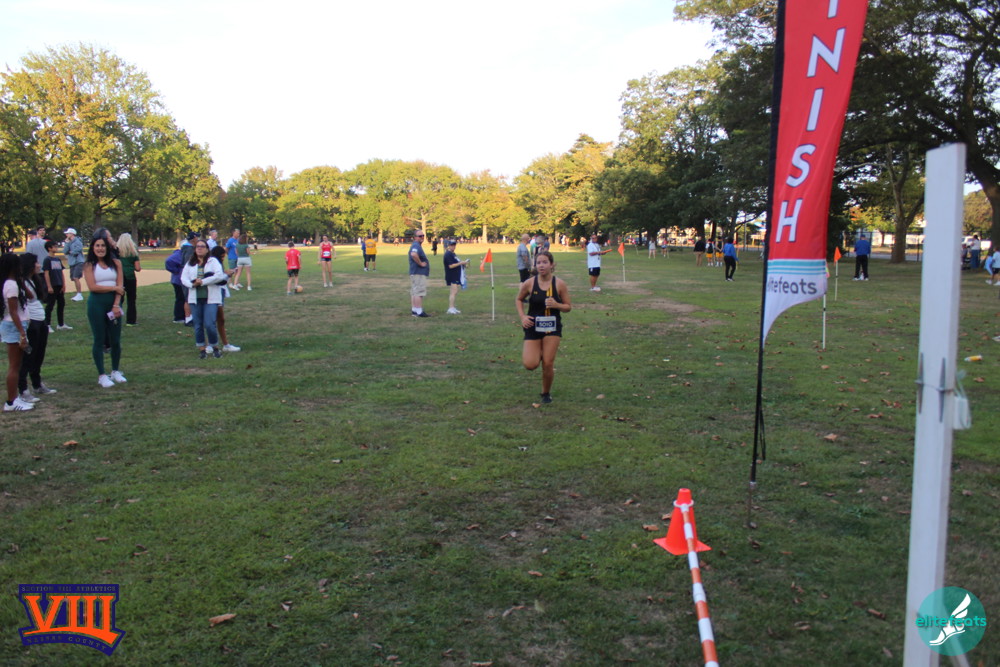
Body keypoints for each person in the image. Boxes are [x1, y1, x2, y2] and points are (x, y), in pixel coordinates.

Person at [515, 251, 571, 404]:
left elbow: (568, 307)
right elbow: (519, 299)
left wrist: (557, 305)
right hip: (533, 326)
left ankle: (545, 393)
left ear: (551, 265)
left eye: (545, 262)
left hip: (552, 327)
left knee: (548, 363)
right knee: (530, 364)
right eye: (538, 262)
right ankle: (539, 350)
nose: (541, 265)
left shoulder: (559, 284)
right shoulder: (529, 283)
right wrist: (523, 316)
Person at [83, 236, 126, 388]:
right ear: (92, 248)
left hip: (113, 304)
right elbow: (93, 287)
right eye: (97, 245)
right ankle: (102, 374)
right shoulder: (89, 265)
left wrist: (116, 304)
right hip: (96, 304)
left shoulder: (116, 263)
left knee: (115, 339)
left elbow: (120, 286)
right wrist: (113, 288)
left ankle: (115, 370)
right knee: (99, 338)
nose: (100, 248)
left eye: (103, 246)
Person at [17, 254, 55, 402]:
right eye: (36, 263)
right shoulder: (21, 282)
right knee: (28, 356)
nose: (39, 265)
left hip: (40, 319)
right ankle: (23, 389)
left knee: (39, 354)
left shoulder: (34, 280)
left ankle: (37, 384)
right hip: (31, 321)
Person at [181, 239, 228, 358]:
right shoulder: (190, 263)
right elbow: (183, 278)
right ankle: (202, 349)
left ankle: (215, 347)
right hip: (195, 298)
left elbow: (219, 276)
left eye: (202, 246)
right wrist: (192, 284)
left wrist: (203, 282)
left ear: (207, 249)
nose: (199, 248)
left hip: (211, 298)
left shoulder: (213, 261)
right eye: (197, 246)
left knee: (210, 324)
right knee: (198, 325)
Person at [2, 253, 33, 411]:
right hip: (14, 326)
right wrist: (22, 333)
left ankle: (15, 397)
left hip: (16, 326)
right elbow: (13, 312)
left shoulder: (14, 283)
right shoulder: (11, 286)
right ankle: (11, 402)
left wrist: (21, 282)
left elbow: (31, 296)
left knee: (17, 365)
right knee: (14, 366)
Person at [209, 246, 241, 352]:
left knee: (220, 320)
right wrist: (227, 275)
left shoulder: (217, 264)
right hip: (214, 294)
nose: (223, 259)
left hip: (219, 292)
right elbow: (218, 280)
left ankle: (224, 344)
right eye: (222, 257)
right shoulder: (212, 264)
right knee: (214, 320)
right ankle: (211, 345)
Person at [42, 240, 71, 332]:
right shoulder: (47, 260)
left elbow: (61, 273)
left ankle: (61, 324)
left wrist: (63, 284)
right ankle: (47, 325)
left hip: (59, 285)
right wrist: (49, 286)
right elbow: (46, 273)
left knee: (61, 304)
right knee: (50, 305)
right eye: (54, 246)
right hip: (53, 285)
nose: (56, 248)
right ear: (49, 248)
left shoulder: (57, 259)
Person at [116, 233, 142, 326]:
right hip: (130, 277)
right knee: (131, 299)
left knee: (119, 299)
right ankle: (131, 320)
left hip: (119, 277)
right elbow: (138, 268)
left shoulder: (116, 253)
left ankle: (116, 318)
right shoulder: (133, 253)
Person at [443, 239, 470, 314]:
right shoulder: (448, 254)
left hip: (456, 275)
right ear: (449, 245)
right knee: (453, 292)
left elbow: (457, 263)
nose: (453, 246)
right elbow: (451, 266)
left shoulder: (453, 254)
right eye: (452, 245)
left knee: (455, 291)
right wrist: (461, 263)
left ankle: (452, 307)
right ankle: (450, 308)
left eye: (454, 245)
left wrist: (463, 264)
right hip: (452, 275)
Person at [409, 230, 431, 317]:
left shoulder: (416, 245)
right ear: (415, 237)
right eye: (420, 236)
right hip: (418, 272)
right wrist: (421, 263)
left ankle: (414, 310)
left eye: (423, 235)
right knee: (419, 292)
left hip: (415, 272)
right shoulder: (416, 245)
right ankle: (419, 311)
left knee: (415, 292)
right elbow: (413, 254)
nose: (422, 237)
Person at [164, 246, 187, 324]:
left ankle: (184, 315)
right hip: (178, 280)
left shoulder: (185, 254)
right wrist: (176, 270)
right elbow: (168, 261)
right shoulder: (179, 254)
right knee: (180, 298)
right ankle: (179, 317)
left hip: (181, 280)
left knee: (184, 298)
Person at [63, 228, 86, 301]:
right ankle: (78, 293)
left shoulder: (78, 241)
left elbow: (77, 251)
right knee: (73, 278)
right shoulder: (69, 242)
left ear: (72, 234)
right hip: (72, 262)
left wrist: (70, 252)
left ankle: (79, 294)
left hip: (78, 262)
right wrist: (67, 243)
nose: (66, 235)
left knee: (76, 277)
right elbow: (65, 251)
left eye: (68, 233)